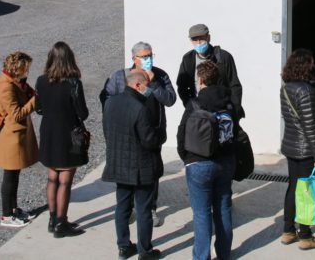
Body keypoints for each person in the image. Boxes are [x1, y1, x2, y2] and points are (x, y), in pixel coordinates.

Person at [101, 41, 177, 227]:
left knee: (151, 174)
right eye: (144, 56)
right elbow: (106, 98)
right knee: (126, 177)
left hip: (152, 133)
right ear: (133, 58)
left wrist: (154, 83)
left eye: (150, 55)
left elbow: (170, 100)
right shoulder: (120, 76)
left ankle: (150, 208)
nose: (148, 59)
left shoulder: (159, 75)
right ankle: (127, 212)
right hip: (127, 134)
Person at [177, 60, 236, 260]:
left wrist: (187, 158)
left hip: (198, 163)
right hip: (225, 162)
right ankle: (224, 254)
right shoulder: (229, 103)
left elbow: (181, 134)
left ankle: (201, 256)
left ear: (200, 80)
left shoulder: (194, 104)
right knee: (223, 209)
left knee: (202, 214)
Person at [103, 69, 163, 260]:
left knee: (122, 207)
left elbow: (107, 131)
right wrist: (160, 135)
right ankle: (145, 251)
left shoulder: (110, 102)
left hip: (119, 164)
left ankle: (123, 246)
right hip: (141, 167)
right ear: (137, 85)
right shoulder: (140, 107)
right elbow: (149, 140)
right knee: (144, 209)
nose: (148, 89)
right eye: (146, 85)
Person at [35, 41, 88, 238]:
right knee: (65, 180)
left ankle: (52, 219)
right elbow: (82, 113)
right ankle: (61, 222)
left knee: (52, 177)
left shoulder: (41, 80)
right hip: (67, 135)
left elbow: (38, 108)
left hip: (48, 133)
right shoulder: (73, 83)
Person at [280, 49, 315, 250]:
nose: (314, 66)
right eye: (311, 63)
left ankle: (288, 231)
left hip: (291, 146)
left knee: (293, 188)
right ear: (305, 66)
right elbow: (310, 126)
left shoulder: (287, 88)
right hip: (305, 149)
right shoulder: (306, 92)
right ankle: (306, 236)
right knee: (306, 192)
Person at [0, 51, 39, 228]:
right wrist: (35, 100)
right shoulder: (6, 87)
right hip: (11, 137)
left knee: (14, 175)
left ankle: (13, 210)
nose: (28, 71)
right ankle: (6, 216)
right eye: (26, 68)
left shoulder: (15, 82)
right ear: (18, 68)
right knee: (9, 177)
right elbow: (16, 114)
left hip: (17, 135)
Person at [177, 23, 244, 119]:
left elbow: (235, 85)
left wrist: (234, 110)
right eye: (195, 40)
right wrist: (190, 105)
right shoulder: (188, 59)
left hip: (222, 111)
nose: (199, 43)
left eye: (202, 38)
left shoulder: (223, 57)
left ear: (208, 38)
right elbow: (182, 86)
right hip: (199, 112)